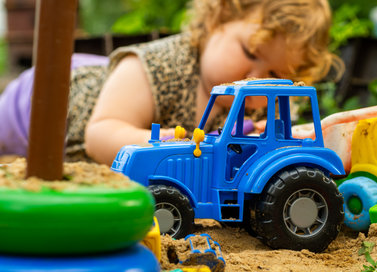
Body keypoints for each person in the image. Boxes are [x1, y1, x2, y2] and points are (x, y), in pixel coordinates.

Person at [0, 0, 344, 166]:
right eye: (250, 53)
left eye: (275, 77)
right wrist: (167, 142)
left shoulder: (236, 105)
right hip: (33, 107)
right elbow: (99, 136)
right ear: (217, 18)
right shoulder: (160, 65)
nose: (255, 79)